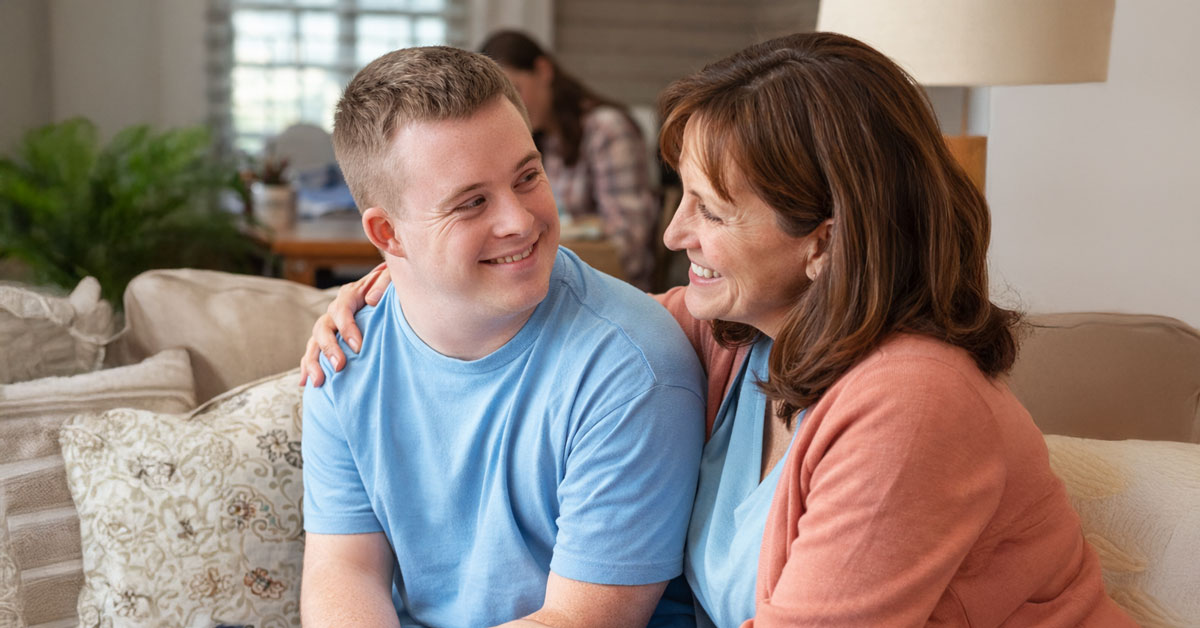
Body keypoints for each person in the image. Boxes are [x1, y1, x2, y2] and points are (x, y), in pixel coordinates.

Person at [302, 33, 1137, 627]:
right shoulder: (733, 338)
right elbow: (541, 315)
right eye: (681, 195)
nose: (672, 235)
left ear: (825, 237)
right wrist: (392, 282)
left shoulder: (912, 402)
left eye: (711, 208)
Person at [299, 45, 706, 626]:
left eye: (528, 176)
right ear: (389, 232)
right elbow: (345, 573)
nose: (519, 220)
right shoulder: (344, 356)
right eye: (471, 203)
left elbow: (580, 620)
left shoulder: (632, 370)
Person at [480, 30, 660, 289]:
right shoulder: (538, 140)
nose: (509, 106)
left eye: (516, 89)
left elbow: (630, 245)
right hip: (552, 282)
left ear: (543, 70)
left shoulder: (606, 129)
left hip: (607, 287)